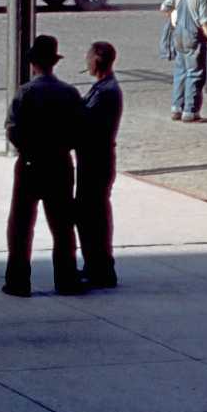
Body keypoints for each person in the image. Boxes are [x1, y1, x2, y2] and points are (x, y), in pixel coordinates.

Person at [3, 35, 83, 297]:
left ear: (33, 64)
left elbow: (12, 128)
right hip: (60, 163)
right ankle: (66, 278)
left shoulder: (25, 92)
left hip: (30, 163)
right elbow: (79, 130)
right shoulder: (70, 93)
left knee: (21, 224)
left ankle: (18, 281)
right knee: (62, 226)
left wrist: (27, 148)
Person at [75, 41, 123, 290]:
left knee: (91, 215)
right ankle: (95, 265)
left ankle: (99, 268)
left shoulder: (105, 91)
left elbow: (83, 122)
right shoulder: (103, 88)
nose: (86, 61)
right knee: (91, 214)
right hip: (94, 158)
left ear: (96, 60)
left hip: (96, 160)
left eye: (88, 57)